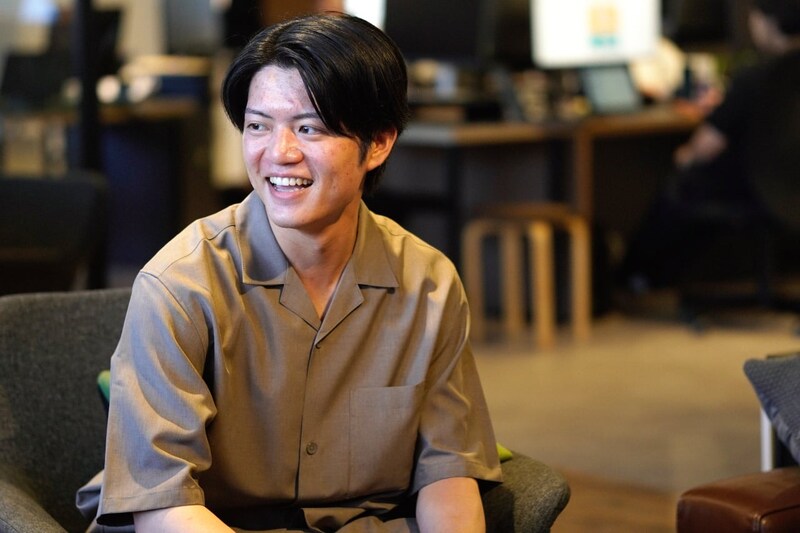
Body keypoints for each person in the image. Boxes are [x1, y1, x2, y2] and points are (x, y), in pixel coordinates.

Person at [76, 12, 502, 533]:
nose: (279, 154)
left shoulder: (428, 284)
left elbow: (448, 473)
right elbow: (163, 504)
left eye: (309, 128)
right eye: (258, 126)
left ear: (379, 142)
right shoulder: (181, 285)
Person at [618, 0, 800, 292]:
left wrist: (684, 156)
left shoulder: (756, 76)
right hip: (789, 187)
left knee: (680, 185)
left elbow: (707, 145)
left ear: (767, 21)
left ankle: (636, 279)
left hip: (755, 190)